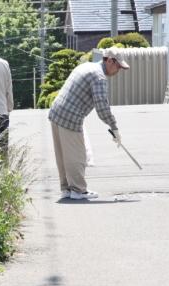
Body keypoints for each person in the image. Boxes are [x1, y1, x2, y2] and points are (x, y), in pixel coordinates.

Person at [48, 47, 129, 200]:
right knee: (77, 156)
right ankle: (78, 190)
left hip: (56, 112)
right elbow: (102, 107)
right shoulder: (99, 77)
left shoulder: (86, 66)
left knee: (62, 155)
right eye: (118, 66)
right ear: (110, 61)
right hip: (70, 117)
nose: (118, 70)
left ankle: (66, 188)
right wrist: (114, 127)